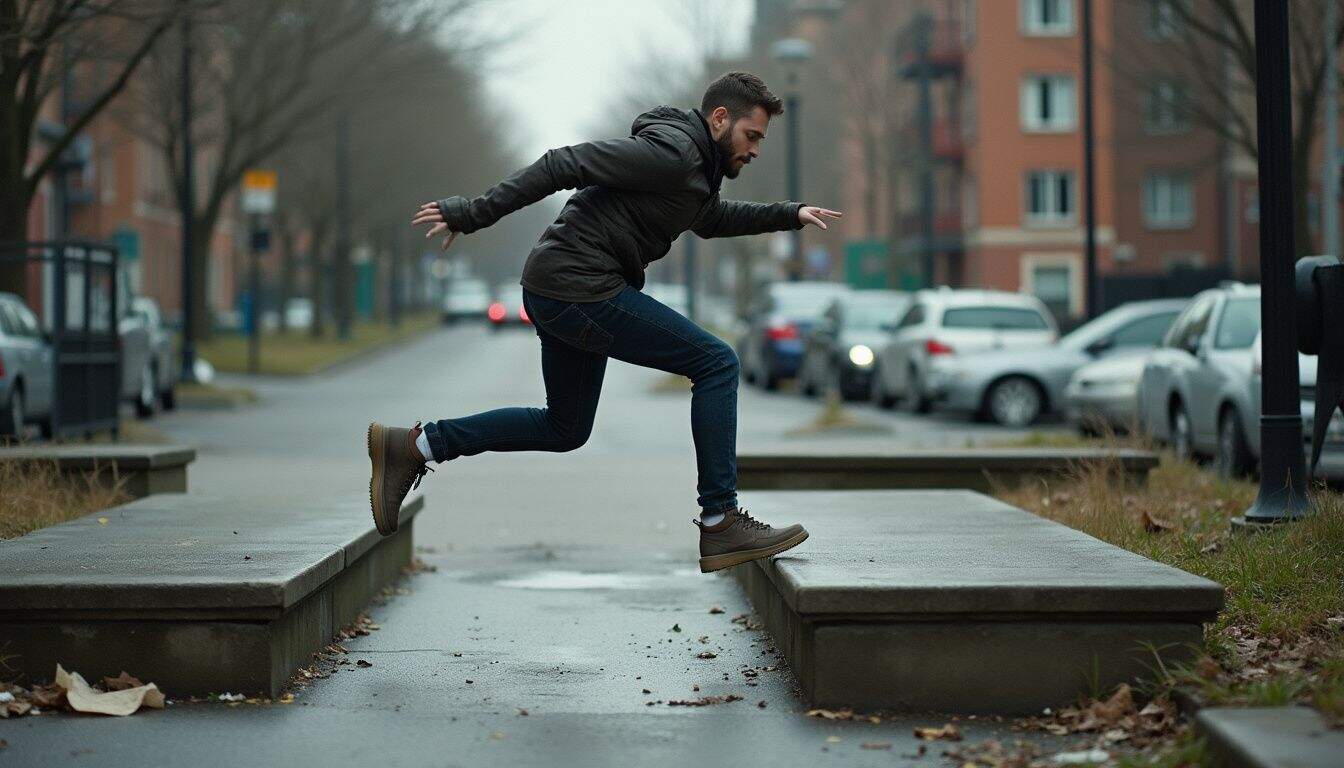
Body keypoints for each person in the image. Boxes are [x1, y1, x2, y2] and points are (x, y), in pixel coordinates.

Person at [368, 71, 842, 573]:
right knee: (716, 362)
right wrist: (473, 213)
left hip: (561, 286)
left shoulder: (697, 173)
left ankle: (415, 445)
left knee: (565, 427)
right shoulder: (673, 155)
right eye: (752, 136)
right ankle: (720, 519)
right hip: (579, 285)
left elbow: (712, 220)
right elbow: (562, 163)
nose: (755, 150)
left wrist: (789, 214)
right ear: (720, 118)